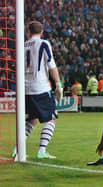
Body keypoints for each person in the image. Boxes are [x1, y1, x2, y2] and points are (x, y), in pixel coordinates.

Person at [12, 21, 63, 159]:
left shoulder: (22, 46)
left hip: (25, 89)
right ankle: (42, 150)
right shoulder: (44, 43)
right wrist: (58, 84)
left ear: (28, 31)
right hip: (40, 87)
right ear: (42, 32)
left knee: (32, 120)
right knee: (52, 117)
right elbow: (51, 65)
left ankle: (17, 149)